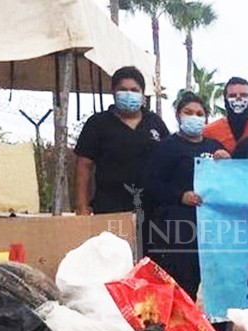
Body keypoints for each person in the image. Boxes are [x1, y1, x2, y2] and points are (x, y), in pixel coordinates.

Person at [146, 92, 229, 299]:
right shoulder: (166, 147)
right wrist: (180, 196)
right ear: (178, 115)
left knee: (217, 285)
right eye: (188, 112)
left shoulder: (214, 147)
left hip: (211, 230)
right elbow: (150, 184)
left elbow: (229, 184)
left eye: (200, 113)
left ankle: (217, 330)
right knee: (183, 287)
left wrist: (229, 162)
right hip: (179, 229)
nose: (194, 116)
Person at [74, 66, 170, 218]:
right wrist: (82, 206)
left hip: (153, 210)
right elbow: (84, 166)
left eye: (134, 90)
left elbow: (170, 162)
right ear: (113, 91)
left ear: (142, 94)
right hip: (110, 209)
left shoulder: (155, 122)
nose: (128, 94)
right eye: (123, 89)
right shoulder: (97, 123)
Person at [203, 77, 248, 153]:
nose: (238, 99)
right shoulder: (208, 131)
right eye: (232, 96)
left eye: (243, 95)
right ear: (225, 101)